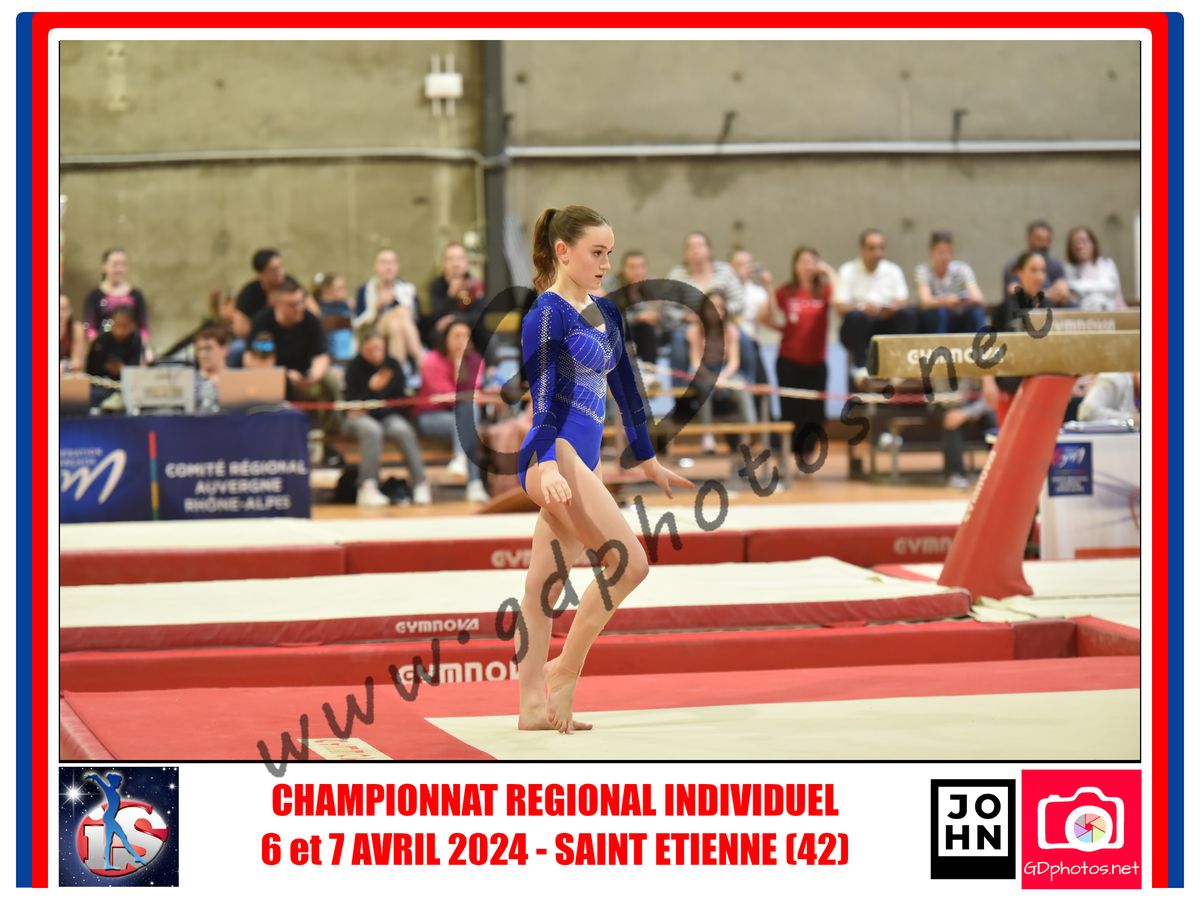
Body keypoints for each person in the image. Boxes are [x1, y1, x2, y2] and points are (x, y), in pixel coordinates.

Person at [516, 205, 693, 735]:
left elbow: (627, 388)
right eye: (596, 253)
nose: (605, 264)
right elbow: (543, 394)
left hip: (580, 464)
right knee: (629, 563)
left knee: (542, 588)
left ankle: (530, 709)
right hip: (554, 455)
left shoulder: (605, 311)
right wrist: (549, 463)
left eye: (609, 253)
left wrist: (647, 457)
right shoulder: (546, 313)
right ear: (563, 251)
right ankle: (564, 670)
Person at [343, 326, 432, 507]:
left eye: (379, 348)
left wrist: (377, 406)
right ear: (362, 349)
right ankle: (367, 487)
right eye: (371, 350)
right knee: (372, 430)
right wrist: (371, 389)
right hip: (360, 418)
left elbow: (399, 399)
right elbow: (352, 404)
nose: (376, 353)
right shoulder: (354, 367)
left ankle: (420, 483)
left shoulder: (392, 365)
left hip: (387, 415)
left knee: (402, 430)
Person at [251, 275, 341, 436]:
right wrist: (285, 374)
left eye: (301, 302)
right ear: (277, 304)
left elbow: (321, 356)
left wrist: (314, 375)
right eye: (292, 305)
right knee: (279, 383)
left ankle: (329, 437)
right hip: (276, 376)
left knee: (330, 382)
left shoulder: (310, 320)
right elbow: (256, 361)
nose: (299, 308)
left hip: (306, 376)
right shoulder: (262, 322)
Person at [771, 247, 835, 469]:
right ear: (795, 266)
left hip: (816, 362)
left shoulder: (825, 291)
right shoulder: (785, 291)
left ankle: (806, 454)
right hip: (788, 361)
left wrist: (830, 272)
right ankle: (787, 453)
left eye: (812, 261)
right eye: (803, 261)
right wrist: (780, 328)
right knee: (791, 410)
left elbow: (840, 303)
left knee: (816, 413)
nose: (808, 266)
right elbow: (766, 314)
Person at [414, 317, 489, 503]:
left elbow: (472, 392)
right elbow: (448, 397)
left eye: (465, 335)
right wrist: (457, 364)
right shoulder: (431, 361)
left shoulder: (476, 360)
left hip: (461, 416)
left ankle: (461, 462)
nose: (461, 340)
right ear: (445, 338)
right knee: (468, 421)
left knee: (468, 418)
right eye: (456, 335)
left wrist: (461, 364)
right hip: (431, 416)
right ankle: (474, 483)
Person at [835, 228, 916, 382]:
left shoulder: (893, 270)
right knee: (855, 317)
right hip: (859, 327)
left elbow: (903, 300)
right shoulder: (847, 270)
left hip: (885, 323)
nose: (877, 253)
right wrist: (862, 308)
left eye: (881, 248)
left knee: (908, 314)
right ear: (861, 249)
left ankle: (903, 365)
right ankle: (861, 367)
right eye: (872, 248)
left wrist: (889, 309)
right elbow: (840, 305)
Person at [664, 233, 743, 386]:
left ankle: (747, 383)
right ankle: (679, 391)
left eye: (700, 245)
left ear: (709, 249)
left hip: (723, 323)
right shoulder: (677, 274)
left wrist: (721, 312)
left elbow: (739, 301)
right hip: (690, 325)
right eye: (690, 247)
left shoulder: (725, 271)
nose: (695, 250)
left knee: (743, 339)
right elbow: (667, 307)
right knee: (678, 341)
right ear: (685, 253)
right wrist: (684, 316)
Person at [687, 289, 757, 454]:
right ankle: (707, 437)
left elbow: (734, 361)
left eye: (719, 307)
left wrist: (723, 377)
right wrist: (711, 378)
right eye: (711, 306)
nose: (715, 311)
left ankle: (749, 432)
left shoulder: (731, 330)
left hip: (726, 371)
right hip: (704, 371)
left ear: (725, 310)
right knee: (705, 390)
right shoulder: (695, 330)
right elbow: (695, 361)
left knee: (742, 387)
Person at [355, 249, 426, 372]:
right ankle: (422, 359)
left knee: (395, 325)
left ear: (397, 267)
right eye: (383, 263)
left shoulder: (407, 289)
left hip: (401, 331)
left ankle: (398, 373)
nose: (388, 267)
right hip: (373, 331)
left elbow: (416, 318)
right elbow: (358, 324)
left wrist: (400, 301)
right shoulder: (365, 290)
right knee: (402, 311)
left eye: (392, 263)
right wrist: (376, 308)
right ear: (375, 267)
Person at [732, 248, 781, 422]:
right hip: (730, 346)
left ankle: (766, 428)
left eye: (748, 264)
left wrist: (768, 285)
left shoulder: (756, 292)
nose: (745, 268)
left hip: (752, 344)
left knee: (763, 385)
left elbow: (769, 317)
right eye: (739, 264)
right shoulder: (724, 289)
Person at [421, 242, 488, 355]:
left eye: (460, 259)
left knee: (485, 332)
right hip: (444, 332)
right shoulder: (436, 285)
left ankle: (484, 364)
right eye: (450, 259)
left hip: (470, 329)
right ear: (443, 265)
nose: (455, 264)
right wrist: (450, 294)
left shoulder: (476, 285)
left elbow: (480, 315)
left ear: (467, 263)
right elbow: (434, 316)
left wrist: (455, 318)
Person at [83, 248, 151, 358]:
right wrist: (98, 348)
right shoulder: (94, 296)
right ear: (104, 266)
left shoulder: (136, 295)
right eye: (115, 264)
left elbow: (143, 327)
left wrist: (145, 349)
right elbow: (89, 328)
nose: (119, 269)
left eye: (123, 264)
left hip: (131, 350)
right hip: (103, 351)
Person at [914, 230, 985, 334]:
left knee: (977, 312)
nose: (945, 257)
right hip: (936, 317)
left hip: (959, 314)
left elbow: (978, 298)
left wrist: (961, 300)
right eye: (941, 252)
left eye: (949, 252)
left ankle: (979, 343)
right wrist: (945, 301)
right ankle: (939, 343)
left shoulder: (962, 268)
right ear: (931, 253)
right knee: (941, 313)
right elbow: (925, 301)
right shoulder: (923, 270)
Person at [1002, 220, 1071, 306]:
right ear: (1028, 238)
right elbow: (1014, 291)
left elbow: (1062, 291)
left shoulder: (1056, 265)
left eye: (1047, 240)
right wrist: (1046, 295)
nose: (1043, 244)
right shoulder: (1015, 263)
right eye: (1039, 239)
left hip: (1051, 306)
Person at [1064, 226, 1127, 311]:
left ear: (1093, 243)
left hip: (1112, 312)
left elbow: (1118, 298)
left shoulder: (1107, 264)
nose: (1080, 246)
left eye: (1084, 241)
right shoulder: (1067, 269)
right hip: (1084, 314)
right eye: (1075, 243)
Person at [233, 248, 287, 339]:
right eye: (273, 270)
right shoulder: (249, 294)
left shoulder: (290, 284)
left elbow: (311, 309)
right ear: (261, 273)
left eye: (280, 267)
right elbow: (239, 329)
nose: (279, 273)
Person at [312, 272, 356, 365]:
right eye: (340, 288)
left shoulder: (345, 307)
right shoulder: (320, 311)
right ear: (328, 290)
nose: (345, 291)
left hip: (348, 358)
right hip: (332, 361)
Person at [193, 326, 229, 414]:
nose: (202, 354)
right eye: (199, 349)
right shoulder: (189, 381)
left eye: (208, 348)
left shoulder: (238, 380)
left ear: (224, 349)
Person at [59, 293, 86, 373]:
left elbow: (77, 362)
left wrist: (64, 366)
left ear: (70, 311)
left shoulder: (77, 329)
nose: (61, 314)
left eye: (64, 309)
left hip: (67, 373)